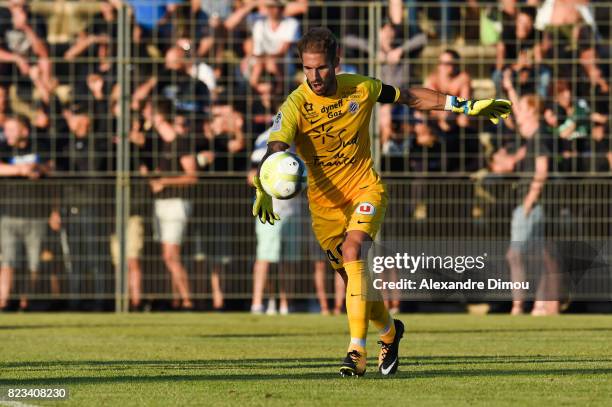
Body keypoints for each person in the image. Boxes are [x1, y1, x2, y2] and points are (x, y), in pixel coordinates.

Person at [252, 27, 511, 376]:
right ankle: (390, 333)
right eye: (308, 69)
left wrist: (463, 105)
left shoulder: (361, 86)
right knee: (356, 283)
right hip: (324, 207)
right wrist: (264, 184)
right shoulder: (296, 104)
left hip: (364, 189)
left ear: (336, 62)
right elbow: (276, 147)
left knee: (353, 250)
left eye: (322, 68)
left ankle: (355, 351)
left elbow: (410, 97)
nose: (314, 77)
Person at [0, 115, 53, 310]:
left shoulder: (40, 145)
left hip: (36, 214)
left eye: (12, 129)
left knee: (34, 262)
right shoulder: (4, 148)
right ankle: (3, 301)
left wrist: (38, 169)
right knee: (8, 260)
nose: (7, 134)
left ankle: (26, 302)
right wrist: (21, 169)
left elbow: (52, 166)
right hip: (10, 214)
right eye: (6, 130)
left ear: (25, 131)